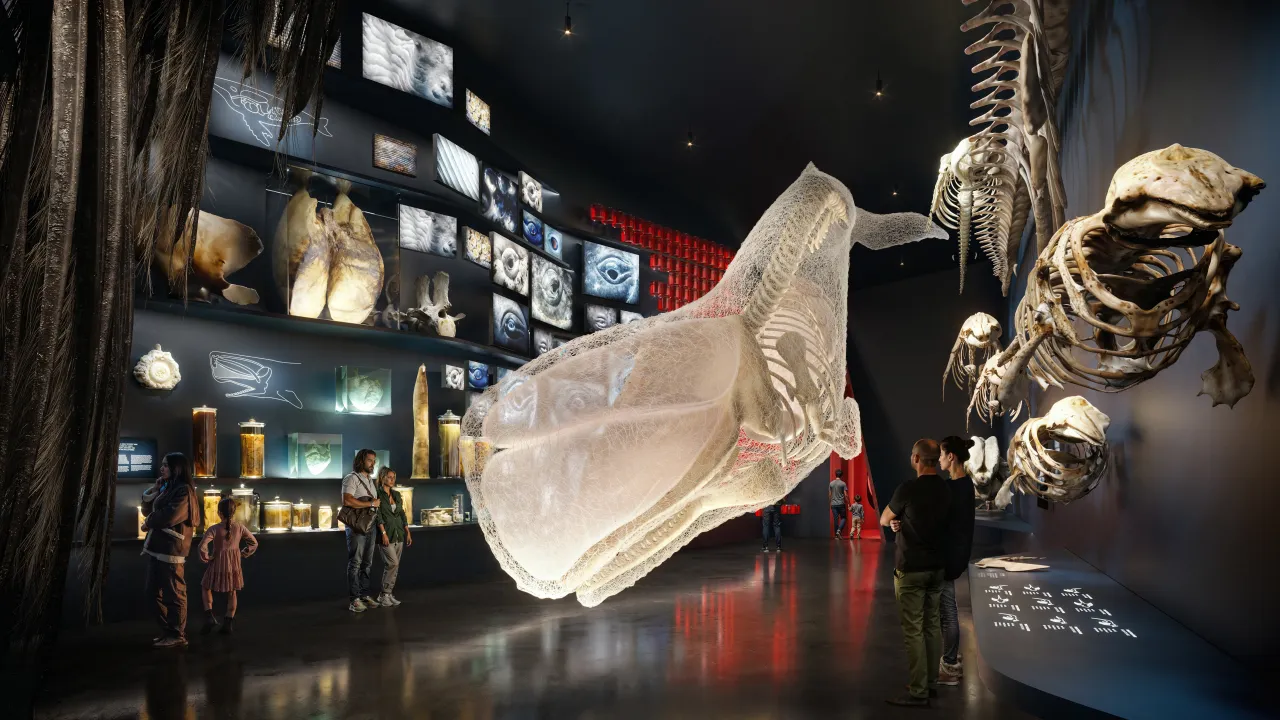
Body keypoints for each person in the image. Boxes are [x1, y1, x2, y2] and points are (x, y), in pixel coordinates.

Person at [880, 439, 951, 707]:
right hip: (937, 568)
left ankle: (918, 691)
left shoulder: (908, 489)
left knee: (913, 630)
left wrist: (895, 521)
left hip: (911, 568)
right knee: (932, 625)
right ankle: (930, 683)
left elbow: (884, 518)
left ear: (917, 459)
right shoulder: (946, 489)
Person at [140, 452, 201, 648]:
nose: (162, 468)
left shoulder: (184, 490)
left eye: (166, 465)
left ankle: (177, 634)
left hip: (171, 549)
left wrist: (149, 522)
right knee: (152, 594)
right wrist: (154, 490)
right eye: (163, 464)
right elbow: (147, 510)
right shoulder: (167, 487)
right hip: (158, 548)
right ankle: (169, 631)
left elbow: (170, 516)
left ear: (177, 468)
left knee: (174, 594)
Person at [937, 435, 977, 686]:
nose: (939, 459)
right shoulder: (965, 484)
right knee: (947, 610)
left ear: (950, 456)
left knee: (948, 612)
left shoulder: (951, 489)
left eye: (942, 455)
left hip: (948, 556)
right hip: (957, 554)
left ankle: (950, 665)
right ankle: (950, 657)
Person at [198, 496, 258, 635]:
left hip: (217, 565)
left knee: (206, 587)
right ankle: (228, 622)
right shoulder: (240, 527)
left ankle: (209, 617)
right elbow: (254, 543)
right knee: (232, 592)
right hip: (234, 566)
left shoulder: (214, 529)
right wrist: (244, 552)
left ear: (219, 513)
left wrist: (206, 556)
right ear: (234, 512)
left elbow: (202, 546)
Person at [342, 449, 382, 613]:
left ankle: (364, 595)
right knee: (356, 563)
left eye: (374, 461)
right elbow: (347, 500)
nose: (373, 464)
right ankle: (354, 600)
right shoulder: (351, 478)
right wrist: (371, 504)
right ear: (361, 461)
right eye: (370, 460)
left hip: (370, 525)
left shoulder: (370, 480)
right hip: (356, 526)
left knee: (367, 563)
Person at [374, 467, 412, 606]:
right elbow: (378, 516)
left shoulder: (396, 494)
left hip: (399, 534)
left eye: (393, 477)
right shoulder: (377, 494)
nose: (392, 480)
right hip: (386, 534)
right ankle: (384, 594)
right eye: (389, 477)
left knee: (394, 566)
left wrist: (407, 531)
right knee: (392, 563)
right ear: (382, 477)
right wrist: (383, 533)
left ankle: (387, 594)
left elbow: (401, 513)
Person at [829, 469, 849, 539]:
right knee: (844, 518)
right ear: (841, 475)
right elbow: (846, 495)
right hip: (841, 504)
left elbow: (830, 495)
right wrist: (849, 503)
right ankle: (839, 530)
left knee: (836, 519)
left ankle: (836, 535)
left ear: (835, 474)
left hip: (833, 504)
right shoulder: (843, 483)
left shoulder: (831, 483)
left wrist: (830, 503)